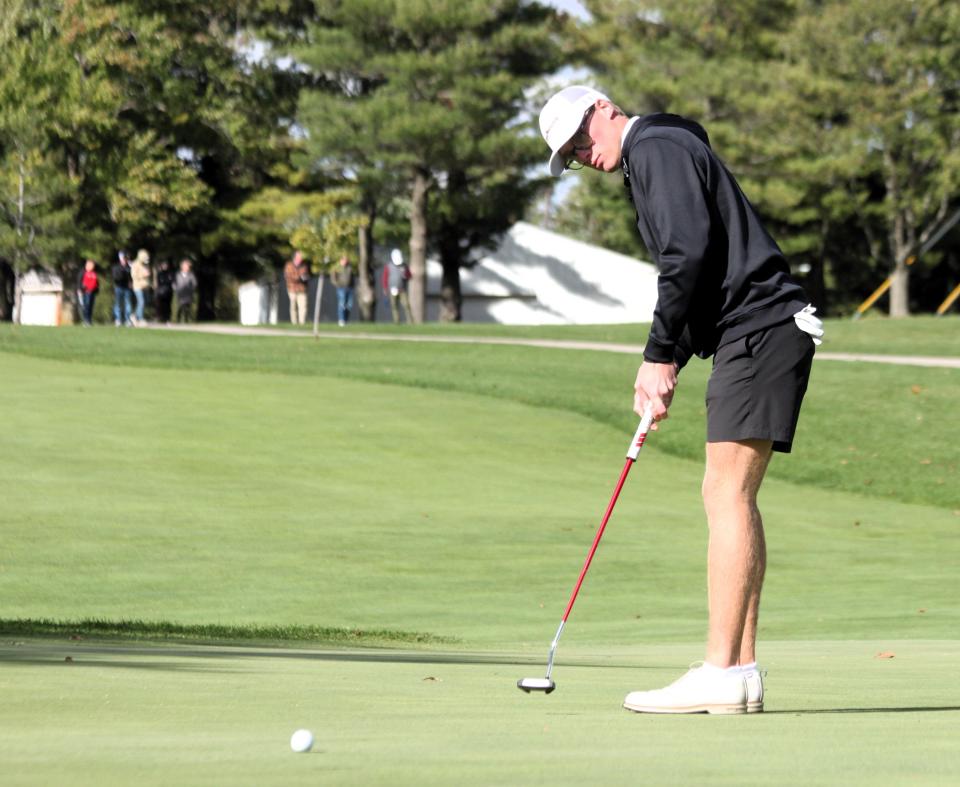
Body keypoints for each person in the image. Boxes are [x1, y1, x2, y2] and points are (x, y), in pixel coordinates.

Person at [539, 85, 824, 715]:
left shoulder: (655, 147)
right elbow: (702, 267)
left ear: (605, 110)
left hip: (761, 329)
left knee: (724, 494)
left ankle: (720, 670)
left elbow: (685, 254)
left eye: (582, 139)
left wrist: (658, 352)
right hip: (759, 331)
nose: (583, 154)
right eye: (571, 154)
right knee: (735, 496)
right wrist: (673, 362)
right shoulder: (663, 150)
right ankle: (742, 671)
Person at [382, 248, 412, 324]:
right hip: (392, 289)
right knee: (394, 306)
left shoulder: (404, 266)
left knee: (406, 305)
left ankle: (410, 321)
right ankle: (397, 321)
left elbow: (409, 276)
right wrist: (385, 288)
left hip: (402, 289)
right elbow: (385, 278)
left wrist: (405, 275)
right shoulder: (388, 266)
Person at [284, 250, 311, 325]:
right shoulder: (289, 265)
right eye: (299, 256)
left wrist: (305, 278)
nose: (301, 258)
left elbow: (306, 275)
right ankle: (294, 322)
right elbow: (288, 276)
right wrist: (299, 278)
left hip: (302, 289)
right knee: (293, 306)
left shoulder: (304, 266)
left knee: (303, 306)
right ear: (295, 257)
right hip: (292, 289)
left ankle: (302, 322)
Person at [331, 255, 356, 326]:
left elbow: (352, 278)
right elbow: (333, 278)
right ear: (341, 260)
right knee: (342, 304)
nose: (345, 261)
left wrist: (352, 286)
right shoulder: (337, 268)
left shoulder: (349, 268)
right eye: (344, 259)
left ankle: (346, 320)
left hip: (349, 288)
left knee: (349, 305)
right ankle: (341, 320)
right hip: (341, 288)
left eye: (346, 259)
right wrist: (337, 284)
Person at [111, 251, 133, 326]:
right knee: (118, 304)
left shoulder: (129, 267)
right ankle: (118, 319)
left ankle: (127, 320)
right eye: (123, 258)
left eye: (126, 258)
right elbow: (115, 278)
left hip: (127, 288)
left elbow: (131, 277)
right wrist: (123, 272)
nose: (125, 260)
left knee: (128, 304)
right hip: (119, 287)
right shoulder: (116, 267)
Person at [130, 248, 151, 326]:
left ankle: (135, 316)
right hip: (138, 287)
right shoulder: (135, 264)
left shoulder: (145, 265)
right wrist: (143, 275)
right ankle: (140, 318)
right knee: (141, 302)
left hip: (145, 287)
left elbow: (147, 274)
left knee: (143, 303)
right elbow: (133, 275)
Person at [174, 258, 198, 323]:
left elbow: (194, 284)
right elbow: (175, 283)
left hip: (188, 294)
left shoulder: (191, 275)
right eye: (185, 266)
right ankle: (177, 320)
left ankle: (187, 320)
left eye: (187, 266)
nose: (186, 267)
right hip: (180, 294)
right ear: (182, 267)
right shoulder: (178, 275)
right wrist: (176, 289)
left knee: (187, 308)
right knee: (180, 307)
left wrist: (191, 290)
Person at [76, 259, 99, 326]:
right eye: (91, 265)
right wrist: (79, 289)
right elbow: (79, 282)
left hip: (92, 292)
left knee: (90, 306)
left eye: (93, 265)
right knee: (86, 306)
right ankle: (85, 320)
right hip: (85, 292)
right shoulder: (83, 272)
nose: (92, 266)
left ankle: (89, 320)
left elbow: (96, 282)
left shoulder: (93, 273)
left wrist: (97, 289)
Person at [155, 260, 175, 324]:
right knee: (161, 306)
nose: (165, 266)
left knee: (168, 306)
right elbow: (159, 282)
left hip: (168, 292)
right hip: (161, 293)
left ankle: (167, 318)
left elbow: (171, 281)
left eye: (166, 265)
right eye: (163, 265)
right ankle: (161, 318)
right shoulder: (160, 274)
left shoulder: (170, 273)